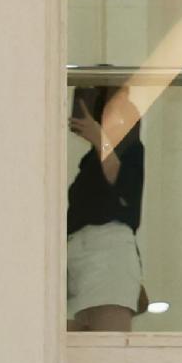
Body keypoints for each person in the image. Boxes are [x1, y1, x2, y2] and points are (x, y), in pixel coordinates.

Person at [67, 83, 147, 330]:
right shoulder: (91, 160)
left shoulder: (131, 150)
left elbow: (123, 190)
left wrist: (99, 137)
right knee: (87, 351)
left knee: (105, 351)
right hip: (84, 256)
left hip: (107, 255)